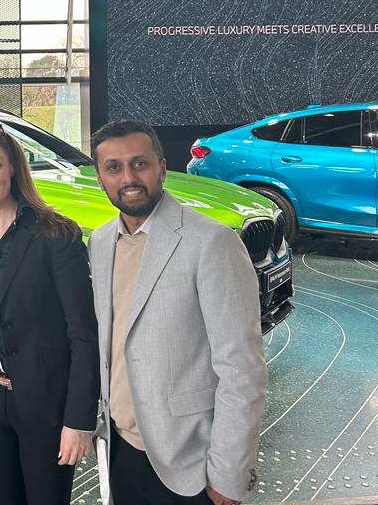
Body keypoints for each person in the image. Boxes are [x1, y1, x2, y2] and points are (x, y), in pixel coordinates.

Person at [88, 120, 265, 505]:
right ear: (101, 178)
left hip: (191, 466)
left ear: (163, 168)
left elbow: (242, 369)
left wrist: (229, 476)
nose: (129, 177)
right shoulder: (101, 242)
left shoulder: (212, 242)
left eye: (140, 163)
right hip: (121, 451)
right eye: (113, 167)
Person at [0, 122, 99, 505]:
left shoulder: (56, 235)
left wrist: (78, 419)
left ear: (13, 165)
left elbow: (83, 333)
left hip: (44, 402)